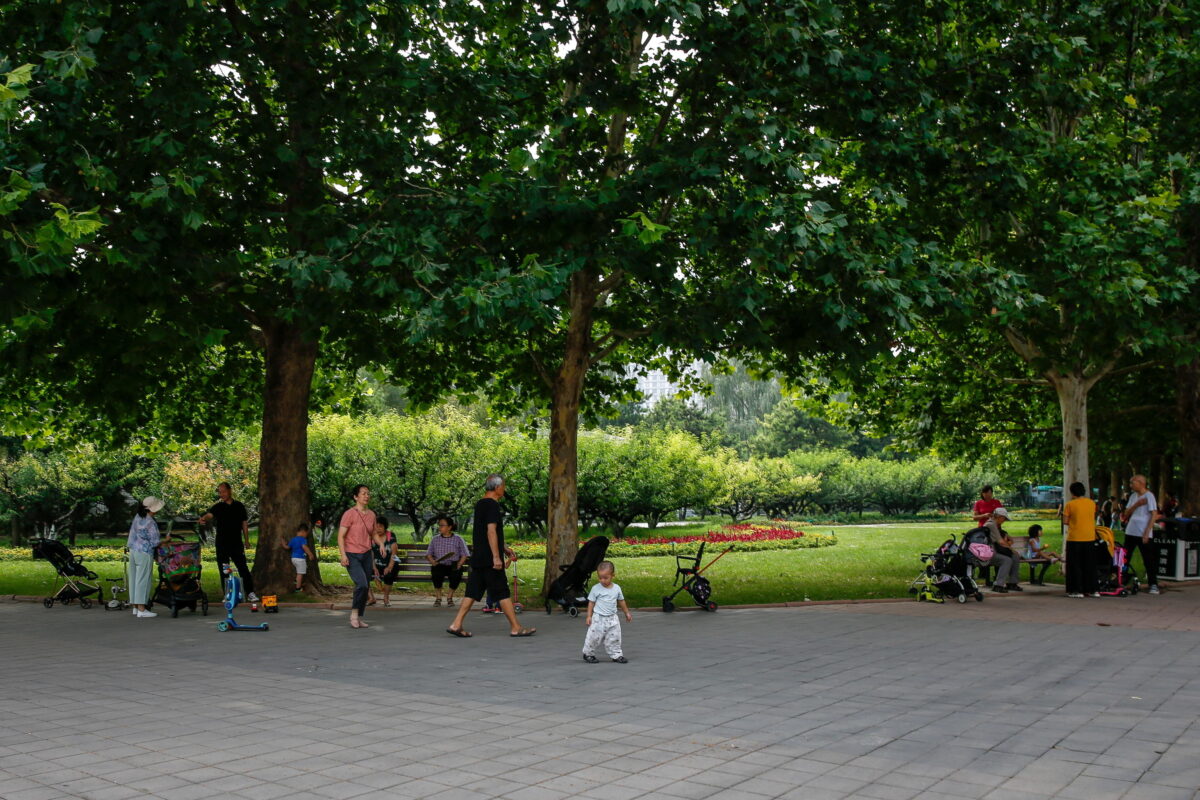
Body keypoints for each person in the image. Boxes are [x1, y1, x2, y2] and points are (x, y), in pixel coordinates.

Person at [445, 474, 535, 638]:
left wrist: (504, 548)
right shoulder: (492, 505)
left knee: (472, 592)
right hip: (489, 559)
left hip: (479, 556)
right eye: (504, 486)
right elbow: (491, 531)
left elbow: (486, 532)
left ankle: (456, 624)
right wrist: (496, 556)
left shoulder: (480, 504)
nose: (504, 489)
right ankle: (516, 627)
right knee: (502, 592)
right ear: (497, 488)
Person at [199, 482, 257, 603]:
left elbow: (244, 523)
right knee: (224, 568)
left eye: (224, 491)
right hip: (222, 543)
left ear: (230, 491)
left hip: (236, 542)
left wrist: (246, 540)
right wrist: (203, 518)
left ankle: (250, 592)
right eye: (219, 492)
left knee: (242, 567)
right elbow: (209, 515)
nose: (222, 494)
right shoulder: (218, 507)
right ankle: (227, 593)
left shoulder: (239, 506)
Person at [338, 484, 376, 628]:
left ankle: (359, 617)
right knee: (361, 584)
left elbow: (373, 534)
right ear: (355, 497)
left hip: (366, 554)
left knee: (365, 588)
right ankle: (354, 614)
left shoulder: (372, 514)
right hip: (352, 554)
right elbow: (341, 536)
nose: (366, 496)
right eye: (363, 493)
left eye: (368, 493)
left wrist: (381, 545)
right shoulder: (349, 514)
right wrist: (343, 555)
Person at [127, 497, 171, 618]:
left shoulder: (138, 517)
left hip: (133, 550)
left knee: (134, 579)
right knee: (143, 580)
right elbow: (155, 542)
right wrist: (166, 540)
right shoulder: (150, 522)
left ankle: (136, 607)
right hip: (145, 553)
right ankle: (142, 609)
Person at [582, 561, 633, 664]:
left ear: (612, 575)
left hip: (613, 618)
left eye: (606, 578)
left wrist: (626, 613)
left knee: (615, 637)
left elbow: (621, 601)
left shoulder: (617, 588)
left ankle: (616, 655)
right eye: (600, 578)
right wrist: (589, 616)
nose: (602, 580)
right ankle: (588, 654)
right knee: (594, 637)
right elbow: (591, 603)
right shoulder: (596, 589)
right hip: (598, 618)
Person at [1121, 474, 1160, 595]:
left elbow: (1154, 514)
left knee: (1148, 559)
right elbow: (1126, 513)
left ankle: (1153, 584)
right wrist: (1136, 504)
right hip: (1131, 531)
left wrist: (1147, 532)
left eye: (1133, 482)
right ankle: (1122, 579)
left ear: (1141, 483)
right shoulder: (1133, 496)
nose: (1130, 485)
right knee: (1125, 557)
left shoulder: (1149, 496)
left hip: (1143, 532)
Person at [1063, 481, 1099, 598]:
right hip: (1089, 537)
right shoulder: (1091, 503)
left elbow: (1065, 521)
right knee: (1089, 564)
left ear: (1072, 492)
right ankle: (1092, 589)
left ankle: (1076, 590)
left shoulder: (1070, 505)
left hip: (1075, 538)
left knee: (1075, 564)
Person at [425, 515, 469, 607]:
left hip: (453, 564)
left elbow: (465, 554)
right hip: (439, 564)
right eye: (439, 525)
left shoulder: (458, 539)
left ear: (449, 527)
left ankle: (449, 597)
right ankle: (438, 598)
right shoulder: (435, 539)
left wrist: (460, 564)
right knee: (436, 575)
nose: (439, 527)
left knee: (456, 575)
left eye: (442, 525)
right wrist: (433, 561)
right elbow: (428, 554)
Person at [983, 507, 1023, 591]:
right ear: (999, 516)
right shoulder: (991, 524)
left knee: (1015, 557)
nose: (1004, 520)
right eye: (1004, 518)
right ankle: (998, 585)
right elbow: (1000, 541)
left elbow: (1001, 538)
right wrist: (1012, 549)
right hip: (989, 553)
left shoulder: (995, 525)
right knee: (1006, 560)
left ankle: (1012, 583)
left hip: (995, 550)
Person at [371, 516, 400, 606]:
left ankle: (386, 597)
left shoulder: (390, 536)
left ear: (385, 527)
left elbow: (394, 553)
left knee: (389, 574)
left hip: (390, 563)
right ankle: (370, 597)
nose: (378, 528)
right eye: (376, 526)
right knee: (363, 573)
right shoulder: (371, 538)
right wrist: (374, 567)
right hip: (376, 564)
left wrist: (389, 566)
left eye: (380, 526)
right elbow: (370, 554)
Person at [282, 522, 314, 592]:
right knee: (300, 573)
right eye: (306, 534)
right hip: (300, 559)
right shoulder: (302, 539)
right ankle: (298, 588)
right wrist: (310, 554)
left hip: (293, 559)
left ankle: (296, 580)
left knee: (299, 571)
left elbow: (287, 547)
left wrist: (283, 543)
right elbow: (304, 547)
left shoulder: (293, 539)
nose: (306, 535)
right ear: (303, 532)